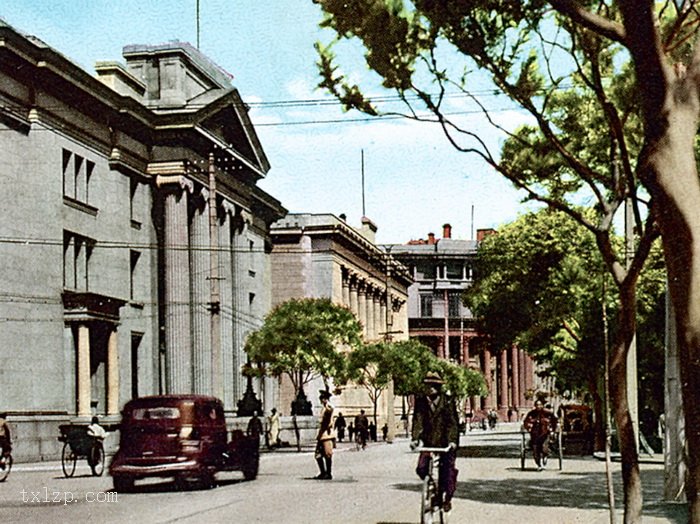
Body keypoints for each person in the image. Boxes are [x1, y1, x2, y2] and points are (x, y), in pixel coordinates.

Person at [411, 371, 460, 514]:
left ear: (438, 387)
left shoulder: (448, 401)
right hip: (428, 441)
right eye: (428, 385)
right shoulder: (421, 402)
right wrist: (415, 439)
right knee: (421, 469)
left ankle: (446, 498)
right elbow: (417, 421)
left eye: (433, 385)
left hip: (446, 443)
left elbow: (452, 424)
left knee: (447, 472)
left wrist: (452, 441)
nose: (430, 388)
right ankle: (431, 485)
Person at [523, 400, 558, 470]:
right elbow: (526, 422)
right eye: (537, 405)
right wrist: (528, 427)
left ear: (542, 405)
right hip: (534, 434)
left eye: (539, 405)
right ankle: (538, 464)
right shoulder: (532, 413)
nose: (538, 407)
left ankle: (545, 455)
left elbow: (554, 420)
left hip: (544, 434)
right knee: (535, 450)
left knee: (544, 447)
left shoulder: (547, 413)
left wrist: (552, 430)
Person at [314, 390, 335, 479]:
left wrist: (327, 406)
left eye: (322, 398)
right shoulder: (324, 408)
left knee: (327, 454)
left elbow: (329, 416)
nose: (321, 400)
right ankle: (323, 472)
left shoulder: (328, 407)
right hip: (321, 435)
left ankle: (328, 473)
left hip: (327, 435)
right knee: (317, 455)